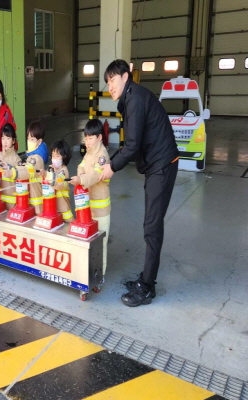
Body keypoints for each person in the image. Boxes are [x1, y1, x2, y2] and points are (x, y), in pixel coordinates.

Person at [99, 59, 179, 308]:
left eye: (113, 80)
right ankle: (145, 279)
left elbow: (132, 144)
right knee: (150, 224)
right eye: (107, 82)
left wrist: (112, 167)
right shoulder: (131, 98)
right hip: (156, 165)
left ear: (126, 76)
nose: (110, 86)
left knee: (152, 226)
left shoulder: (135, 98)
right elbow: (134, 141)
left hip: (162, 165)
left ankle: (147, 287)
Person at [69, 119, 111, 274]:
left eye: (91, 138)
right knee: (88, 241)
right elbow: (81, 165)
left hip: (100, 210)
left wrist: (81, 180)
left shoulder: (102, 156)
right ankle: (88, 273)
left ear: (99, 137)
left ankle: (100, 275)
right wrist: (80, 174)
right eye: (86, 138)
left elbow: (96, 175)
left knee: (100, 244)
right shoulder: (89, 152)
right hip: (87, 207)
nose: (87, 142)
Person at [7, 121, 48, 215]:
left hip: (36, 204)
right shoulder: (32, 156)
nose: (29, 142)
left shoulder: (37, 158)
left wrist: (13, 172)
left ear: (39, 141)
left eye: (32, 139)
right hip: (31, 202)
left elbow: (28, 171)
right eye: (28, 139)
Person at [0, 123, 22, 209]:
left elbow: (20, 176)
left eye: (8, 138)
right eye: (3, 138)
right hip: (0, 201)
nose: (5, 141)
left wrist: (10, 168)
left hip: (13, 203)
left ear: (13, 141)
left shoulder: (17, 159)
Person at [49, 140, 74, 222]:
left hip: (63, 208)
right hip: (53, 206)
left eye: (57, 156)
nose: (54, 159)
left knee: (67, 224)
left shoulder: (63, 171)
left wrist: (47, 175)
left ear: (64, 157)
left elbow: (58, 182)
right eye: (53, 156)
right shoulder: (51, 169)